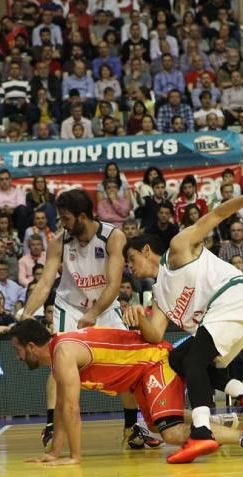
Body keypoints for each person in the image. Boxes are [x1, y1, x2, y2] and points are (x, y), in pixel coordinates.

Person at [123, 191, 243, 464]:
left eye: (131, 259)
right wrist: (137, 317)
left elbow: (217, 214)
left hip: (238, 298)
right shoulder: (160, 294)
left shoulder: (179, 248)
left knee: (194, 358)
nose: (129, 267)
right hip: (237, 316)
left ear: (146, 251)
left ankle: (202, 431)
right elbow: (155, 335)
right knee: (178, 358)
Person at [19, 188, 160, 451]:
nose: (63, 224)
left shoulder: (112, 237)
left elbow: (115, 284)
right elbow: (45, 282)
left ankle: (131, 427)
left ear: (82, 216)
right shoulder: (59, 243)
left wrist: (94, 315)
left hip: (104, 307)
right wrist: (26, 315)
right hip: (70, 306)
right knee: (59, 364)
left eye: (66, 218)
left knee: (128, 364)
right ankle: (52, 426)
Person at [9, 319, 243, 466]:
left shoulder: (62, 352)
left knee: (171, 432)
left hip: (153, 362)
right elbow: (62, 407)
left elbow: (72, 410)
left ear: (31, 347)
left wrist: (75, 456)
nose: (16, 357)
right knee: (156, 426)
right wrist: (54, 452)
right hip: (139, 375)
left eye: (17, 350)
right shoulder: (58, 351)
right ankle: (216, 422)